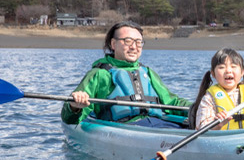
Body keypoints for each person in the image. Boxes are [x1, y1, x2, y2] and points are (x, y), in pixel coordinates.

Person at [61, 21, 192, 127]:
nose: (134, 47)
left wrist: (198, 107)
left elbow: (172, 102)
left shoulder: (147, 72)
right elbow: (69, 119)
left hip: (159, 125)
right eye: (128, 41)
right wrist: (75, 107)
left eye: (138, 42)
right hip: (127, 128)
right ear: (113, 43)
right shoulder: (100, 74)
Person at [188, 48, 244, 130]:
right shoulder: (209, 98)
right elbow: (201, 128)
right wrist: (217, 125)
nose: (228, 70)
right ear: (213, 74)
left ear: (242, 72)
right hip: (222, 143)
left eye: (233, 66)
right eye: (221, 67)